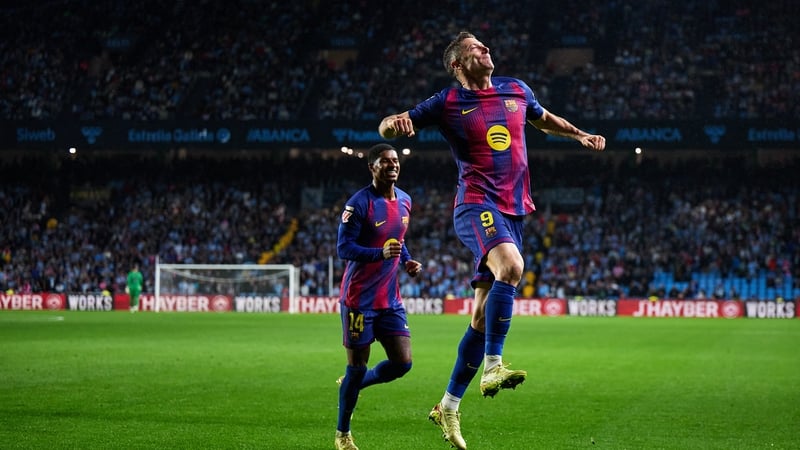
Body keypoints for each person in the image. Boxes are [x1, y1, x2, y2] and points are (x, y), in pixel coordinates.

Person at [378, 31, 606, 449]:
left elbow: (543, 119)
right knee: (512, 267)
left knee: (481, 318)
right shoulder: (447, 101)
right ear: (457, 65)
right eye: (474, 48)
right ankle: (493, 365)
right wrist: (394, 124)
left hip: (515, 209)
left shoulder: (516, 89)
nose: (485, 49)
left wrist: (579, 135)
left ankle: (447, 406)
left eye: (484, 45)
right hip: (476, 202)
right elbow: (388, 125)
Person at [334, 143, 423, 450]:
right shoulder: (358, 204)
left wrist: (406, 260)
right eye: (385, 161)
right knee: (356, 366)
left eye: (395, 160)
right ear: (372, 167)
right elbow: (344, 248)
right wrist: (379, 253)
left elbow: (398, 240)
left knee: (402, 363)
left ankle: (356, 384)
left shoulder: (406, 200)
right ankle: (343, 434)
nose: (393, 165)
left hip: (390, 299)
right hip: (359, 299)